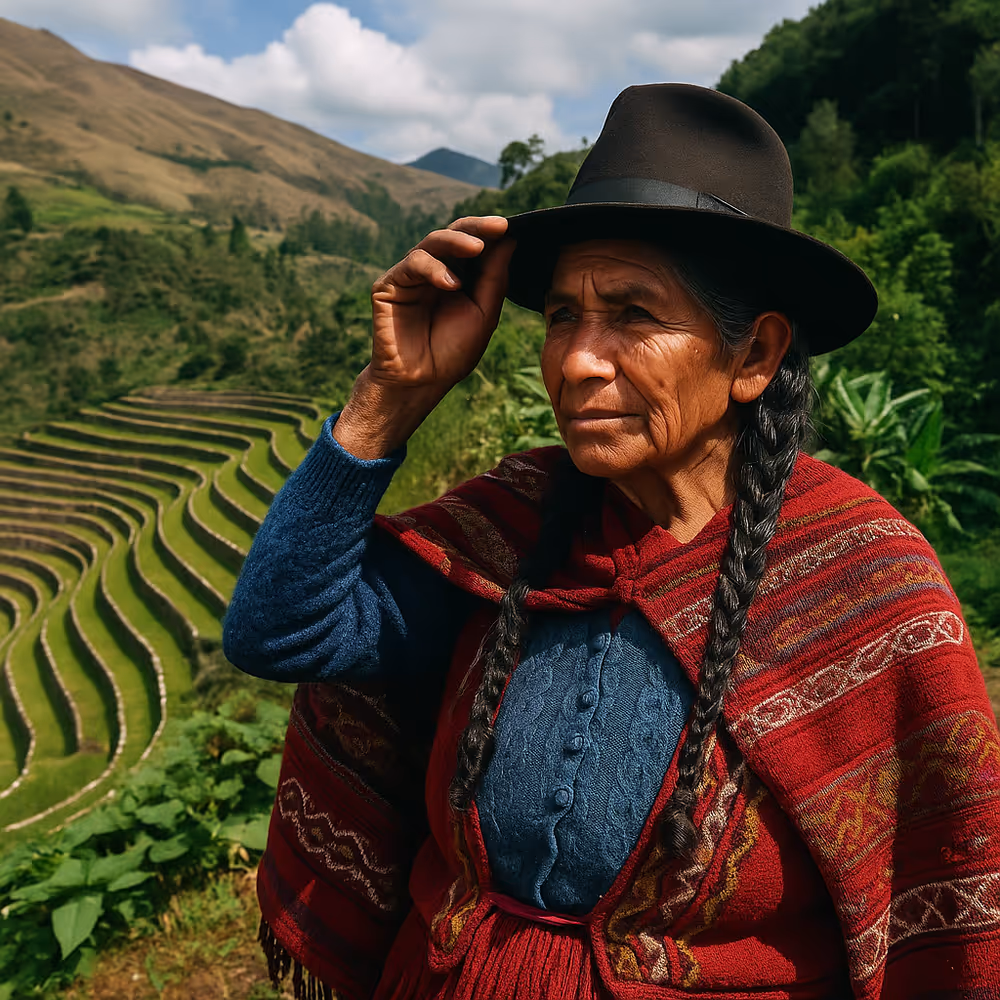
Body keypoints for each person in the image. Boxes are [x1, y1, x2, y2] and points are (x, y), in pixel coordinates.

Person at [223, 84, 1000, 1000]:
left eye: (633, 314)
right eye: (562, 316)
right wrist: (390, 396)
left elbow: (945, 903)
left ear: (753, 356)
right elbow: (278, 628)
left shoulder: (862, 583)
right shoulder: (513, 532)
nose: (579, 359)